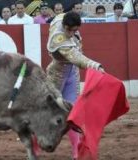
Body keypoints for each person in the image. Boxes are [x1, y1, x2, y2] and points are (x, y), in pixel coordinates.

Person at [46, 11, 104, 160]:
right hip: (56, 75)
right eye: (69, 30)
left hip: (72, 74)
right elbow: (75, 57)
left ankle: (76, 153)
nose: (71, 33)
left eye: (75, 30)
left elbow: (63, 14)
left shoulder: (61, 19)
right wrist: (95, 65)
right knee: (46, 112)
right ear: (64, 26)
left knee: (74, 114)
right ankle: (32, 146)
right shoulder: (59, 37)